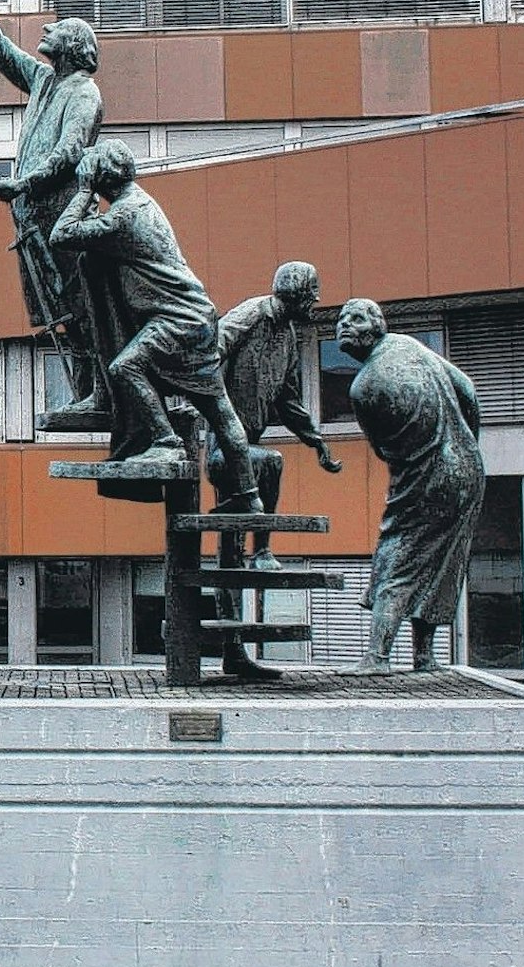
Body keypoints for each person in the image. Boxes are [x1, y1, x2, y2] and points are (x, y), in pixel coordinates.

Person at [48, 140, 259, 512]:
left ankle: (166, 442)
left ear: (101, 175)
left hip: (176, 321)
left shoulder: (126, 214)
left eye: (91, 171)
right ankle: (249, 497)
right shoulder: (141, 203)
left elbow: (61, 235)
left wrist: (83, 191)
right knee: (219, 412)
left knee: (125, 367)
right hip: (195, 316)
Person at [0, 0, 105, 428]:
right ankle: (88, 394)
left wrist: (24, 183)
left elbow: (69, 151)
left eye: (58, 29)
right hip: (31, 217)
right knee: (58, 312)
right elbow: (0, 52)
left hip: (62, 214)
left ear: (75, 47)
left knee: (78, 307)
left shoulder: (84, 93)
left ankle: (97, 394)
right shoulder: (44, 81)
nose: (47, 29)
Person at [334, 298, 486, 674]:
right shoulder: (410, 345)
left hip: (427, 476)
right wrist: (468, 446)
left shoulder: (363, 386)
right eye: (340, 320)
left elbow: (384, 450)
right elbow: (468, 391)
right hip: (468, 469)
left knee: (397, 556)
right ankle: (424, 655)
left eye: (354, 319)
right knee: (442, 560)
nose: (343, 326)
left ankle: (377, 656)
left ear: (376, 325)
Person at [207, 261, 344, 678]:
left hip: (248, 449)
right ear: (297, 295)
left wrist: (317, 442)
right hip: (223, 449)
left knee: (229, 554)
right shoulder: (251, 315)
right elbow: (207, 353)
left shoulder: (287, 337)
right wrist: (210, 412)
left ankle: (234, 653)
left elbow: (288, 400)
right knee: (272, 462)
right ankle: (263, 549)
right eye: (312, 298)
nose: (315, 306)